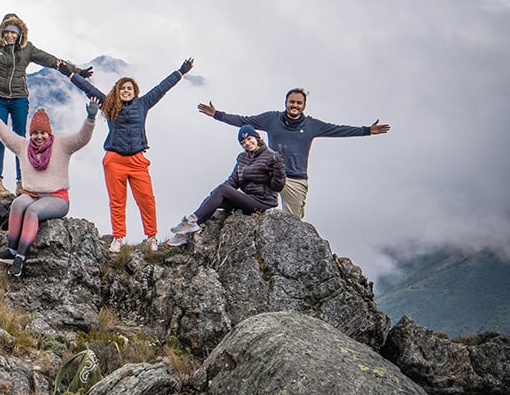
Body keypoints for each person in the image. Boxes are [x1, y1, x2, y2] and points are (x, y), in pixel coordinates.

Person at [0, 0, 93, 197]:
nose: (10, 35)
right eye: (7, 31)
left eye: (14, 32)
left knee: (21, 140)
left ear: (19, 33)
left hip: (20, 98)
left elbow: (52, 60)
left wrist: (78, 71)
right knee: (0, 138)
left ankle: (22, 183)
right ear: (2, 32)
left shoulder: (27, 49)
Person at [58, 58, 194, 252]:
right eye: (123, 89)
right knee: (117, 201)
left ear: (135, 91)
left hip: (137, 160)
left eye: (129, 89)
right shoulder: (109, 104)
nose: (126, 91)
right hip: (114, 160)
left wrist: (181, 72)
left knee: (147, 199)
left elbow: (162, 87)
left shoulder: (143, 103)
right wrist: (69, 73)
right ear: (118, 91)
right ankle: (118, 238)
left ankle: (151, 237)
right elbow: (88, 88)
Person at [198, 88, 391, 218]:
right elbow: (243, 121)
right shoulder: (271, 119)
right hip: (270, 175)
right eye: (292, 102)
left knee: (292, 223)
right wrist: (217, 115)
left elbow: (338, 130)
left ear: (304, 105)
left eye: (299, 103)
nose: (295, 106)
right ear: (286, 103)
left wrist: (367, 130)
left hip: (296, 180)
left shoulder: (312, 125)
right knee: (255, 208)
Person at [0, 97, 98, 277]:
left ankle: (21, 257)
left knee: (32, 211)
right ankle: (11, 251)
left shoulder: (62, 145)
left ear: (49, 133)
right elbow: (5, 134)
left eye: (43, 133)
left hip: (57, 198)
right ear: (30, 134)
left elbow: (82, 138)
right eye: (35, 133)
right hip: (32, 193)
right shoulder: (23, 146)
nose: (39, 136)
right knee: (17, 204)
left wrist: (90, 119)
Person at [168, 125, 286, 246]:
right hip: (248, 199)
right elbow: (233, 181)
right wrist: (214, 194)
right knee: (214, 198)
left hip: (264, 202)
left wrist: (279, 166)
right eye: (243, 142)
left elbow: (278, 187)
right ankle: (183, 236)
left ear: (257, 137)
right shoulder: (242, 158)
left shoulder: (271, 156)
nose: (247, 143)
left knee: (221, 191)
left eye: (250, 139)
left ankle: (191, 221)